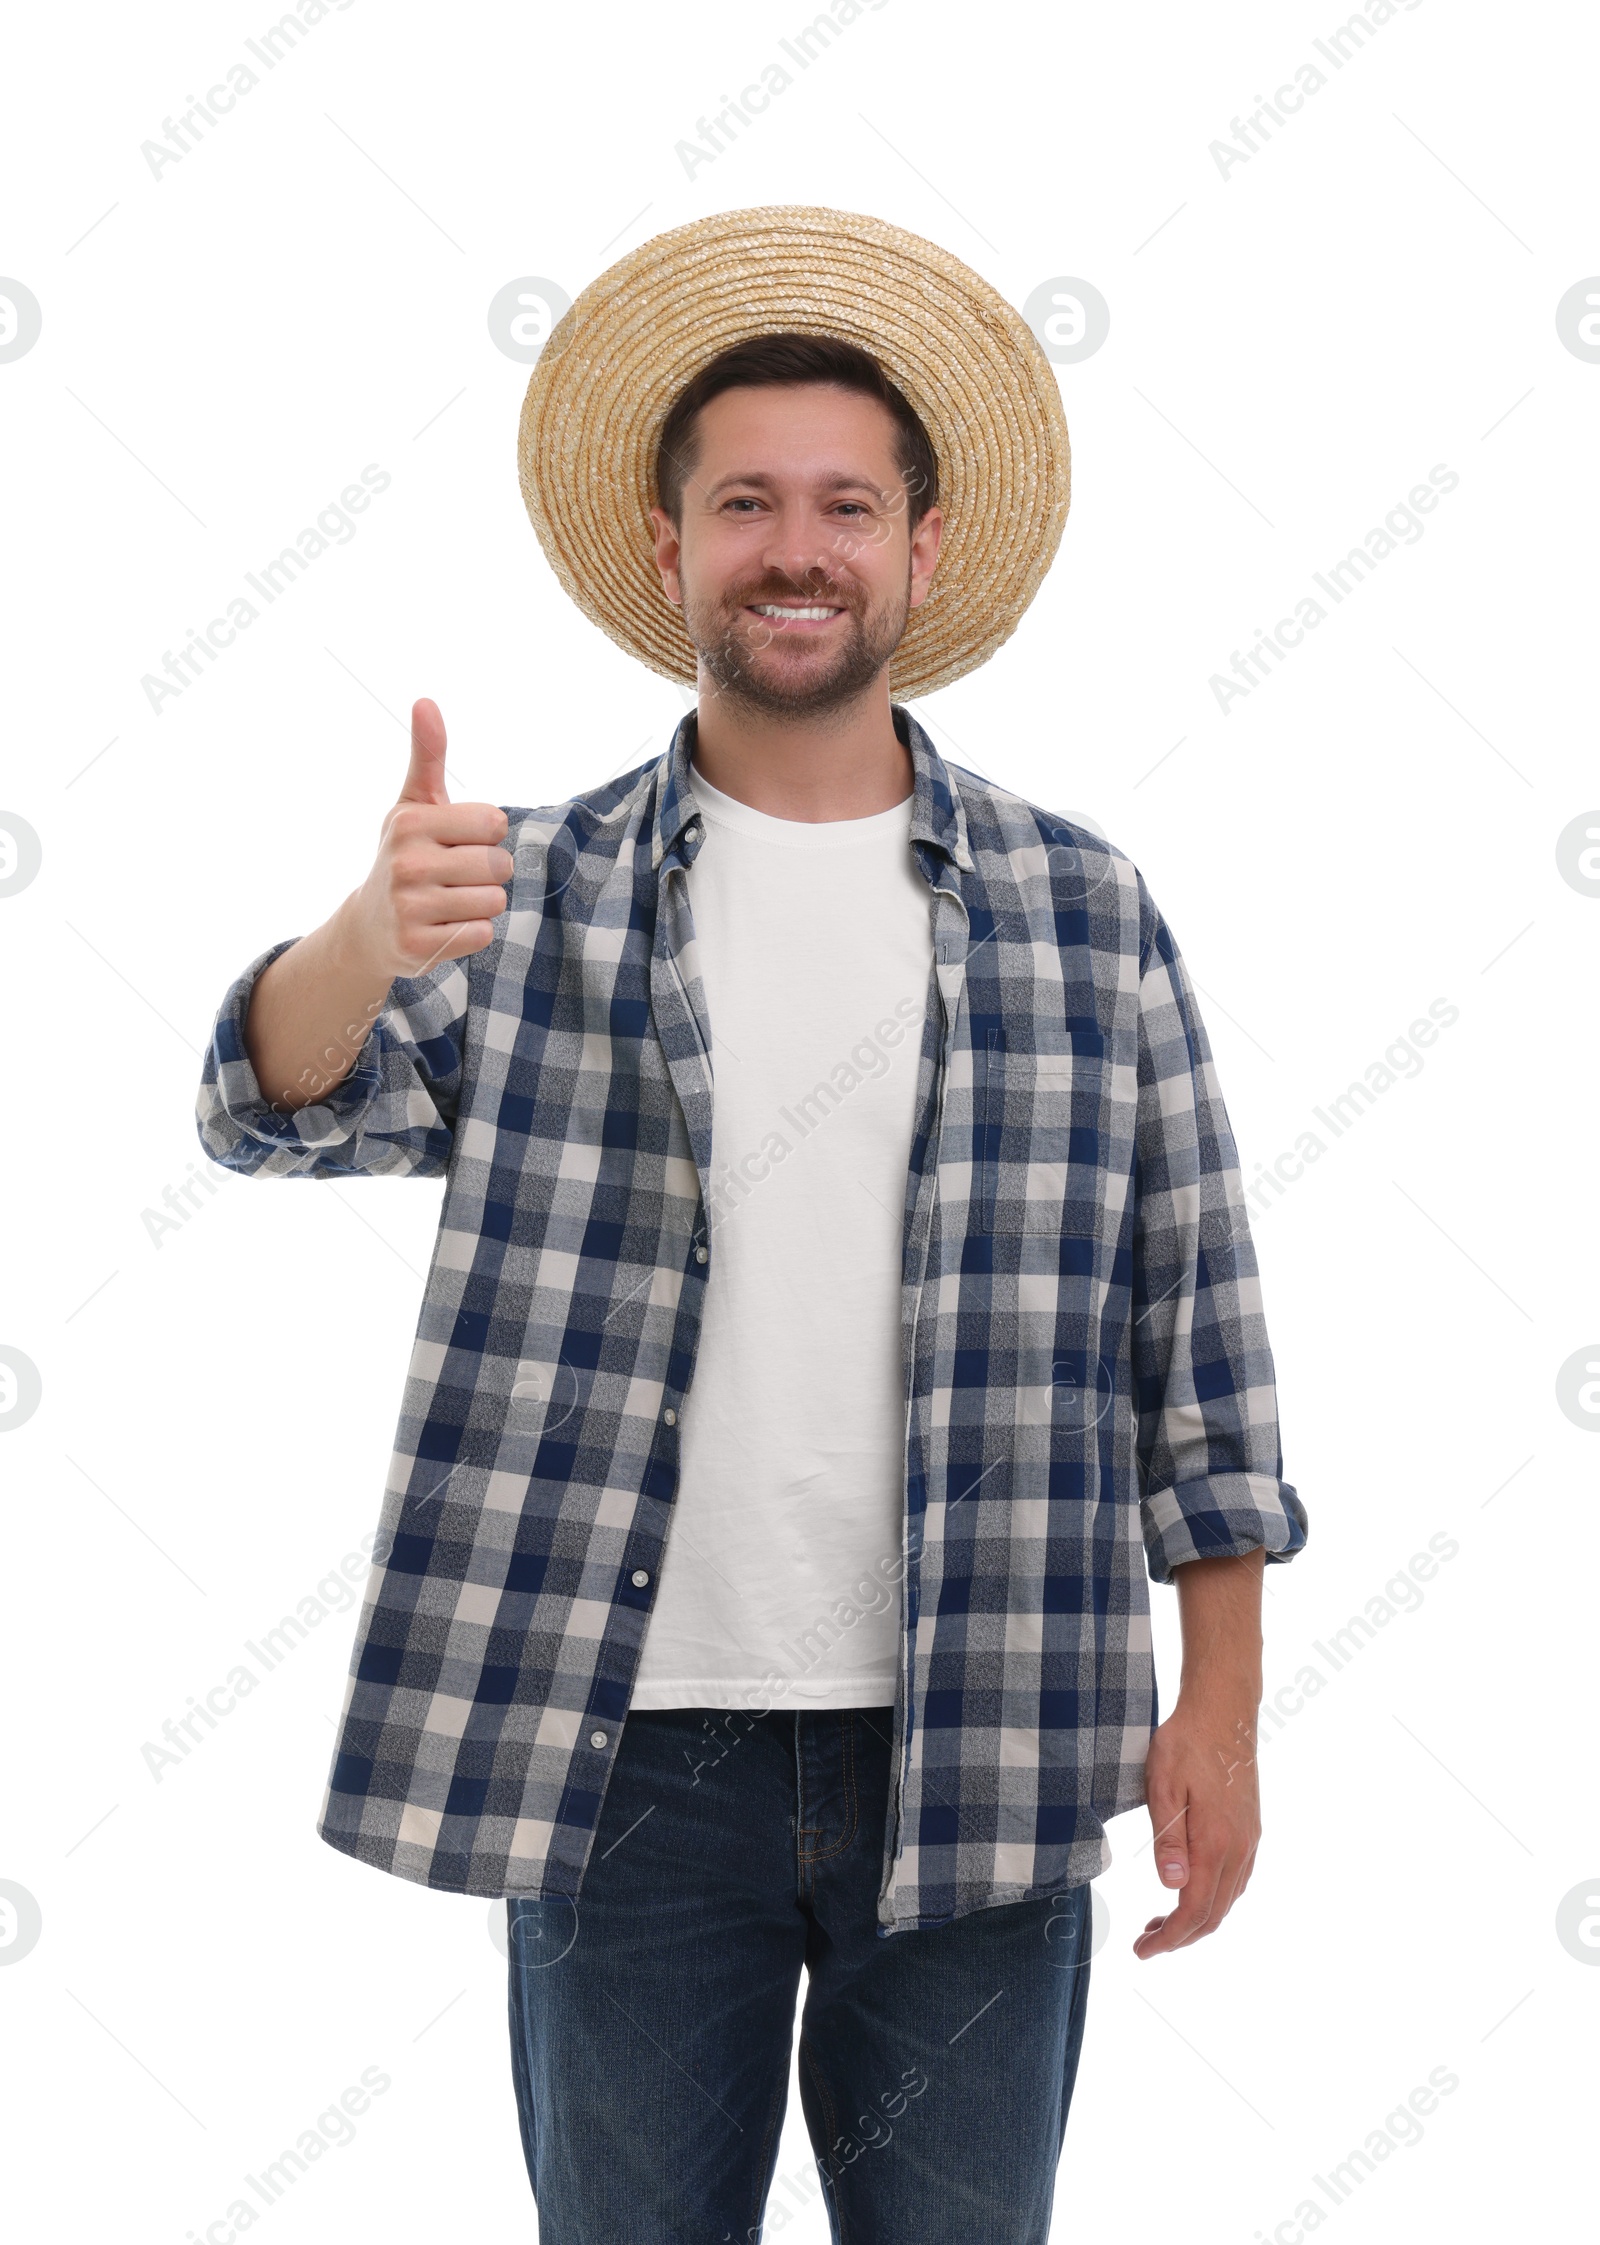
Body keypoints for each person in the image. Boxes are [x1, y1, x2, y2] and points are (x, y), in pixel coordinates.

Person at [197, 206, 1307, 2244]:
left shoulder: (1084, 910)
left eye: (843, 504)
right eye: (742, 504)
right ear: (666, 548)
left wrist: (1216, 1701)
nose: (793, 547)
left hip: (985, 1731)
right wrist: (365, 933)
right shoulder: (516, 893)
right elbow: (265, 1111)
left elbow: (1196, 1344)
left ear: (920, 548)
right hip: (624, 1760)